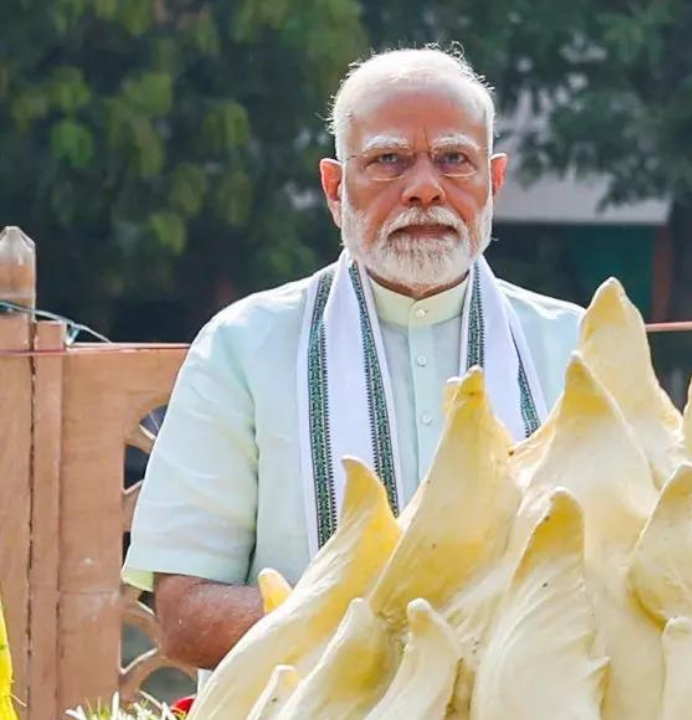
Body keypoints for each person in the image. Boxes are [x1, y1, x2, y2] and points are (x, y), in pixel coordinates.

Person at [123, 47, 584, 670]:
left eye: (454, 160)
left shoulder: (575, 348)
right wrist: (377, 627)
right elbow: (184, 614)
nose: (424, 188)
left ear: (493, 181)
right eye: (389, 161)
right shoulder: (244, 345)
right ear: (336, 187)